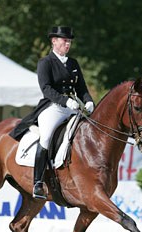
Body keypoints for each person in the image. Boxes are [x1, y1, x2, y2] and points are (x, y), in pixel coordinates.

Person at [10, 26, 94, 200]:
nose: (67, 44)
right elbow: (46, 88)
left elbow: (81, 87)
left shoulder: (73, 63)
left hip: (72, 108)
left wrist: (89, 101)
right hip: (52, 108)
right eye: (64, 41)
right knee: (46, 138)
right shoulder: (45, 62)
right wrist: (65, 101)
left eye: (69, 41)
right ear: (54, 41)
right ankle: (38, 183)